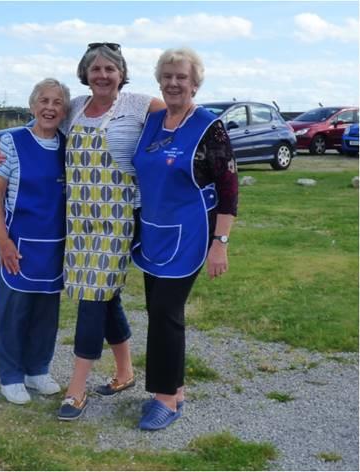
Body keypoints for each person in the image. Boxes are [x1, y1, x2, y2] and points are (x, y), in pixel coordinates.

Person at [0, 43, 164, 419]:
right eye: (95, 69)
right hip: (78, 223)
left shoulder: (138, 104)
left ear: (122, 73)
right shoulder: (75, 110)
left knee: (92, 298)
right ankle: (125, 371)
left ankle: (77, 389)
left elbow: (181, 120)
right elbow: (36, 130)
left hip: (116, 219)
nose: (102, 75)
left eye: (110, 69)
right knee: (104, 294)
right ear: (85, 74)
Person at [131, 47, 238, 430]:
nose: (174, 83)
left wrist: (220, 243)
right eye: (168, 76)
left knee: (165, 313)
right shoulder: (153, 120)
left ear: (195, 83)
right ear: (159, 80)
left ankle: (166, 400)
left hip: (192, 233)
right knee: (157, 311)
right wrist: (4, 149)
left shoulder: (209, 126)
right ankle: (174, 388)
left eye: (182, 77)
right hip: (155, 231)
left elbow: (229, 188)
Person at [0, 78, 70, 404]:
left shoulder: (68, 146)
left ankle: (38, 370)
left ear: (65, 111)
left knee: (46, 313)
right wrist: (4, 241)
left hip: (54, 246)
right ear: (32, 106)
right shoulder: (12, 142)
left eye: (57, 103)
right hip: (18, 244)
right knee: (14, 312)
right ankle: (10, 376)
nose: (50, 108)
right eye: (44, 101)